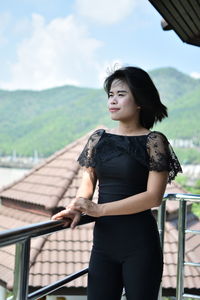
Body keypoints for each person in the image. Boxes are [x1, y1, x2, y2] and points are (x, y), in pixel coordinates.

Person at [52, 66, 182, 300]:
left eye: (121, 95)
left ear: (140, 100)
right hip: (103, 245)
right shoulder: (98, 138)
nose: (113, 100)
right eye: (111, 95)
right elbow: (88, 180)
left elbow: (153, 196)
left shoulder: (154, 141)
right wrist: (77, 207)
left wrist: (100, 210)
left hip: (140, 246)